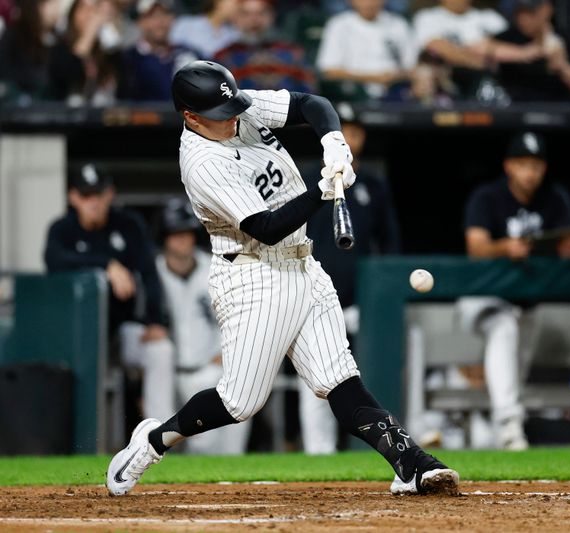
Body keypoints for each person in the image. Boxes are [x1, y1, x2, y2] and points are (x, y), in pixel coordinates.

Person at [105, 60, 458, 496]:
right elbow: (265, 227)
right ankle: (155, 440)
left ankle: (411, 463)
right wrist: (321, 189)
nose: (232, 117)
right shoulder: (201, 162)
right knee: (240, 402)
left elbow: (313, 103)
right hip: (254, 274)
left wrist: (333, 144)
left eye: (231, 105)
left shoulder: (237, 107)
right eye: (218, 114)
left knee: (339, 379)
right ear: (190, 116)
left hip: (304, 265)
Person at [456, 131, 570, 450]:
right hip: (483, 296)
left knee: (514, 370)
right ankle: (509, 428)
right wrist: (504, 248)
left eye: (536, 165)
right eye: (523, 164)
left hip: (526, 302)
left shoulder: (554, 197)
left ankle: (497, 431)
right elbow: (476, 247)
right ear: (509, 166)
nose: (530, 172)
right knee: (503, 328)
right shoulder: (488, 196)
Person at [301, 102, 402, 454]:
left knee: (364, 376)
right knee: (316, 381)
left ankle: (374, 448)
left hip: (361, 305)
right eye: (341, 131)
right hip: (313, 300)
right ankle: (319, 454)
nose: (348, 139)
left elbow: (389, 245)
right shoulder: (308, 181)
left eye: (355, 131)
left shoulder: (373, 186)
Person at [44, 163, 174, 427]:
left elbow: (149, 273)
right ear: (73, 197)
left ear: (110, 194)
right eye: (85, 196)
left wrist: (155, 320)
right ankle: (83, 441)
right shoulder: (62, 229)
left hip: (121, 328)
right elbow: (54, 261)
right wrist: (107, 265)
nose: (93, 202)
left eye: (98, 195)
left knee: (160, 350)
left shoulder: (127, 225)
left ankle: (161, 437)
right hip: (78, 338)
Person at [156, 199, 251, 454]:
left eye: (186, 234)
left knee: (243, 395)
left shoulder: (215, 267)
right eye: (176, 234)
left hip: (210, 368)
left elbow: (238, 313)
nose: (182, 240)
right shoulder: (153, 273)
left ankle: (233, 469)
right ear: (165, 238)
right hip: (171, 374)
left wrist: (227, 351)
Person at [411, 0, 545, 102]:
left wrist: (487, 50)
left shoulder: (489, 17)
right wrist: (486, 57)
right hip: (452, 86)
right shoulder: (429, 17)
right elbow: (439, 48)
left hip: (493, 86)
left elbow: (514, 46)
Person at [493, 0, 570, 102]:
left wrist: (562, 68)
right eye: (519, 12)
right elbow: (481, 50)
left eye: (530, 12)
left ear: (547, 10)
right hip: (517, 108)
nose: (523, 18)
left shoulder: (565, 38)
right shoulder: (508, 37)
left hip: (559, 107)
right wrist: (524, 53)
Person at [316, 0, 416, 102]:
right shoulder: (339, 24)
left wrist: (394, 77)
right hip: (352, 94)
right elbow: (329, 71)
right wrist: (374, 78)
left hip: (396, 92)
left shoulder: (398, 24)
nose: (369, 3)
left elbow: (412, 67)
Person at [212, 0, 317, 93]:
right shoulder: (223, 57)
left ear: (272, 16)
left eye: (261, 13)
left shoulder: (294, 53)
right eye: (246, 14)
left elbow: (309, 92)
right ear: (236, 18)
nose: (254, 20)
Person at [118, 0, 199, 102]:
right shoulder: (129, 59)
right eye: (153, 16)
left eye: (165, 14)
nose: (160, 22)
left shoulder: (187, 54)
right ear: (140, 22)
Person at [169, 0, 240, 58]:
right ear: (218, 3)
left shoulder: (234, 35)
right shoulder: (185, 25)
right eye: (234, 3)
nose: (236, 8)